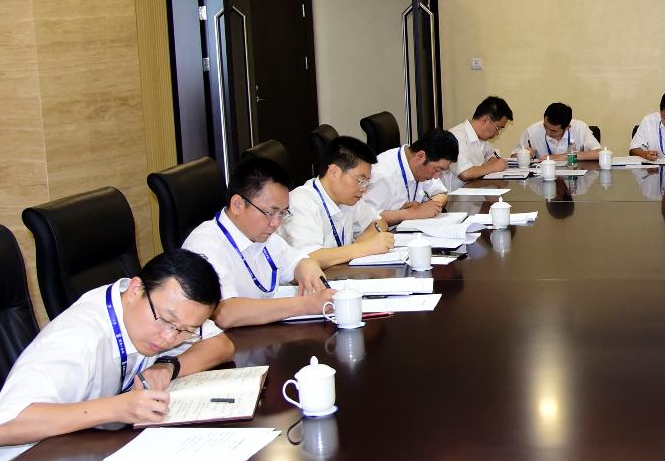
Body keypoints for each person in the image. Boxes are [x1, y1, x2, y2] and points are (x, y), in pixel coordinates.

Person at [0, 250, 235, 461]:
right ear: (136, 290)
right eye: (167, 321)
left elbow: (222, 345)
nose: (169, 338)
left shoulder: (159, 313)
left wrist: (168, 365)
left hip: (81, 453)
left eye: (186, 331)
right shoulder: (78, 338)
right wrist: (118, 408)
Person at [182, 155, 331, 327]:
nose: (276, 223)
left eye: (282, 213)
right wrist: (305, 305)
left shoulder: (262, 234)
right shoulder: (205, 245)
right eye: (270, 212)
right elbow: (225, 313)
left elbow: (297, 261)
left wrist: (307, 267)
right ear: (237, 204)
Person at [282, 136, 396, 268]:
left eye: (366, 182)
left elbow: (379, 222)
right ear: (333, 172)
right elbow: (308, 258)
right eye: (360, 180)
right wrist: (364, 248)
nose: (364, 189)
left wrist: (362, 244)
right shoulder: (301, 201)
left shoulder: (348, 198)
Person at [364, 129, 459, 226]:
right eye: (437, 169)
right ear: (420, 157)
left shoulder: (418, 163)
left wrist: (425, 207)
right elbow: (366, 219)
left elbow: (442, 194)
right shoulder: (382, 173)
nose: (436, 177)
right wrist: (412, 213)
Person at [450, 96, 513, 182]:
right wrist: (492, 167)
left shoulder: (482, 139)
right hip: (456, 190)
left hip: (474, 187)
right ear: (486, 120)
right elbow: (465, 173)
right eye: (498, 128)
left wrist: (491, 165)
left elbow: (492, 159)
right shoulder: (456, 136)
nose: (497, 133)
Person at [518, 102, 602, 161]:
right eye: (545, 126)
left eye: (553, 131)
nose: (548, 132)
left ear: (567, 127)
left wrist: (564, 157)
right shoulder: (531, 131)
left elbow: (600, 153)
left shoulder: (580, 128)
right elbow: (514, 157)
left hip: (574, 177)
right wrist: (525, 155)